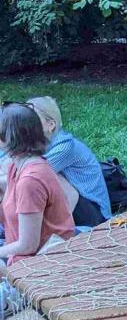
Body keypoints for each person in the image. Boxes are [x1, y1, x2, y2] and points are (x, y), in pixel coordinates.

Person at [0, 102, 75, 275]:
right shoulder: (16, 167)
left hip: (43, 264)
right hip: (21, 256)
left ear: (9, 136)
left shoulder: (30, 180)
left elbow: (28, 245)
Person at [27, 97, 111, 227]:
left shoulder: (65, 147)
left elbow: (28, 175)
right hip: (80, 207)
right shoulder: (42, 145)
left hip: (95, 216)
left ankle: (55, 228)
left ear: (51, 125)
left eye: (32, 118)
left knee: (43, 174)